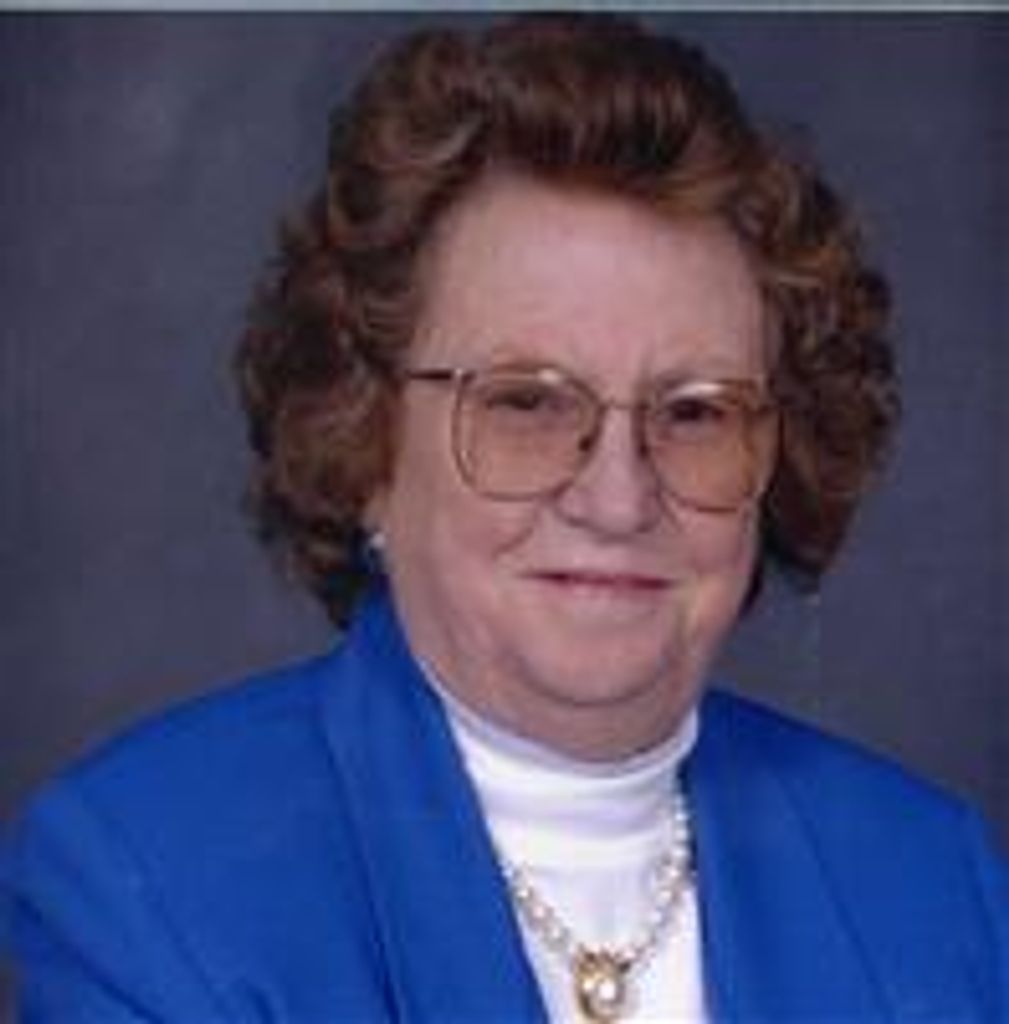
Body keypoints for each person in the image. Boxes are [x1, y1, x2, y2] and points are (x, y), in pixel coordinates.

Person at [4, 13, 1007, 1022]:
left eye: (695, 412)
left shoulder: (935, 886)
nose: (617, 498)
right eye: (526, 403)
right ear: (364, 440)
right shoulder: (150, 879)